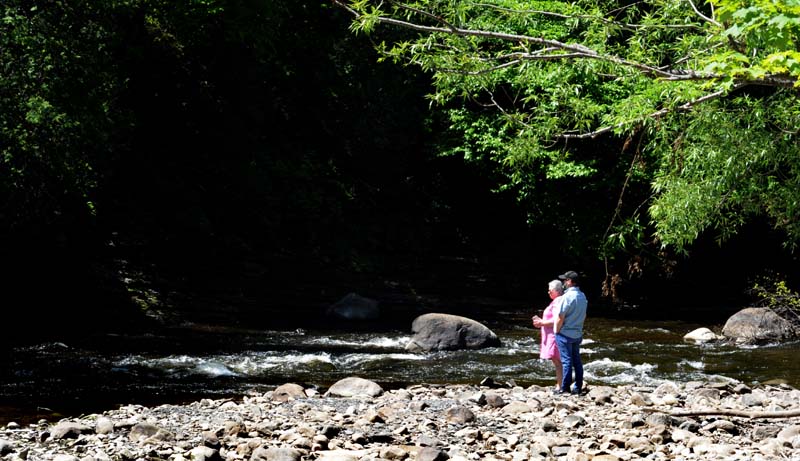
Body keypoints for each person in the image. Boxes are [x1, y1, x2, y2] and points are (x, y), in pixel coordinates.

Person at [553, 270, 588, 395]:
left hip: (564, 334)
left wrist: (556, 331)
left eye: (565, 280)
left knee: (566, 361)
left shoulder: (566, 297)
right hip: (577, 334)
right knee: (577, 361)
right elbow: (584, 316)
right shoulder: (582, 296)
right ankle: (578, 387)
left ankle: (565, 388)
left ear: (569, 281)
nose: (563, 282)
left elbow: (560, 317)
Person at [532, 280, 564, 390]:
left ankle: (560, 386)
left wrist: (542, 323)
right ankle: (560, 384)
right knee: (557, 361)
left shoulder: (558, 301)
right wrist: (542, 321)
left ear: (557, 291)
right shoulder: (556, 301)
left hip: (554, 335)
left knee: (557, 361)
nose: (548, 293)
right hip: (552, 334)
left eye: (550, 291)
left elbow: (557, 319)